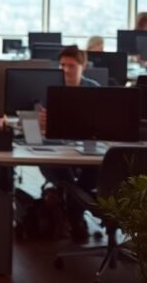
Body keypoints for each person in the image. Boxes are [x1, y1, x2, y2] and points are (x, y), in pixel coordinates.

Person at [38, 46, 101, 242]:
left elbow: (102, 124)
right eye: (62, 65)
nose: (65, 70)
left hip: (87, 149)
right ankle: (76, 218)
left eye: (71, 66)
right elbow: (38, 123)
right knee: (63, 174)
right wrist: (41, 123)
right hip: (57, 150)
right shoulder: (51, 89)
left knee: (95, 169)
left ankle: (73, 215)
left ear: (83, 66)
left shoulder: (94, 90)